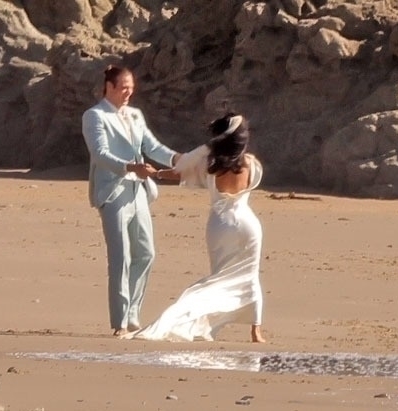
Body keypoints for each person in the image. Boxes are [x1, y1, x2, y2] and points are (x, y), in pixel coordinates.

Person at [126, 113, 266, 343]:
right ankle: (255, 331)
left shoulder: (210, 164)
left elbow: (180, 169)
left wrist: (157, 173)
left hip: (220, 226)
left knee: (219, 278)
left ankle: (195, 317)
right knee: (250, 275)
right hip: (248, 225)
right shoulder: (252, 164)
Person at [82, 65, 180, 338]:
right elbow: (100, 154)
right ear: (109, 87)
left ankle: (133, 313)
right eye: (123, 87)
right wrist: (131, 167)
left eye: (131, 88)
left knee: (146, 253)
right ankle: (120, 322)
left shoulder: (135, 115)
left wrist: (177, 160)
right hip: (112, 192)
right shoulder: (94, 116)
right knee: (121, 256)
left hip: (139, 192)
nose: (128, 92)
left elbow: (152, 146)